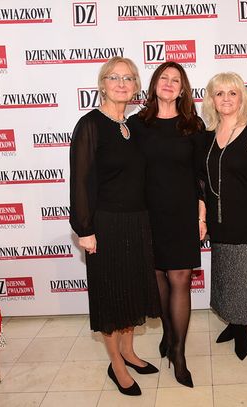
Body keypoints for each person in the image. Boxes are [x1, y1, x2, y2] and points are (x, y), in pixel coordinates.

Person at [69, 56, 161, 396]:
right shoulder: (90, 125)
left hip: (137, 222)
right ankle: (116, 365)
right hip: (105, 225)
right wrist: (85, 229)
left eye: (128, 78)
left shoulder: (133, 126)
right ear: (102, 85)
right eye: (114, 77)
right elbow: (80, 181)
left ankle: (129, 351)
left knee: (131, 292)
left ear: (136, 86)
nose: (121, 84)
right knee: (111, 296)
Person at [127, 61, 206, 388]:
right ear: (154, 84)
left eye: (176, 80)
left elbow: (201, 175)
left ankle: (178, 352)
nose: (169, 83)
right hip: (148, 213)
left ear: (183, 89)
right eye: (164, 78)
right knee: (158, 278)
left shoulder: (193, 124)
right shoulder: (136, 124)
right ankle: (169, 332)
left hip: (183, 213)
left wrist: (202, 215)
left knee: (180, 278)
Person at [201, 72, 247, 360]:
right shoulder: (207, 135)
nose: (226, 98)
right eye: (219, 93)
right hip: (220, 223)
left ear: (242, 98)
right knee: (227, 277)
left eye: (232, 92)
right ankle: (233, 323)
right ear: (212, 100)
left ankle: (242, 331)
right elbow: (201, 179)